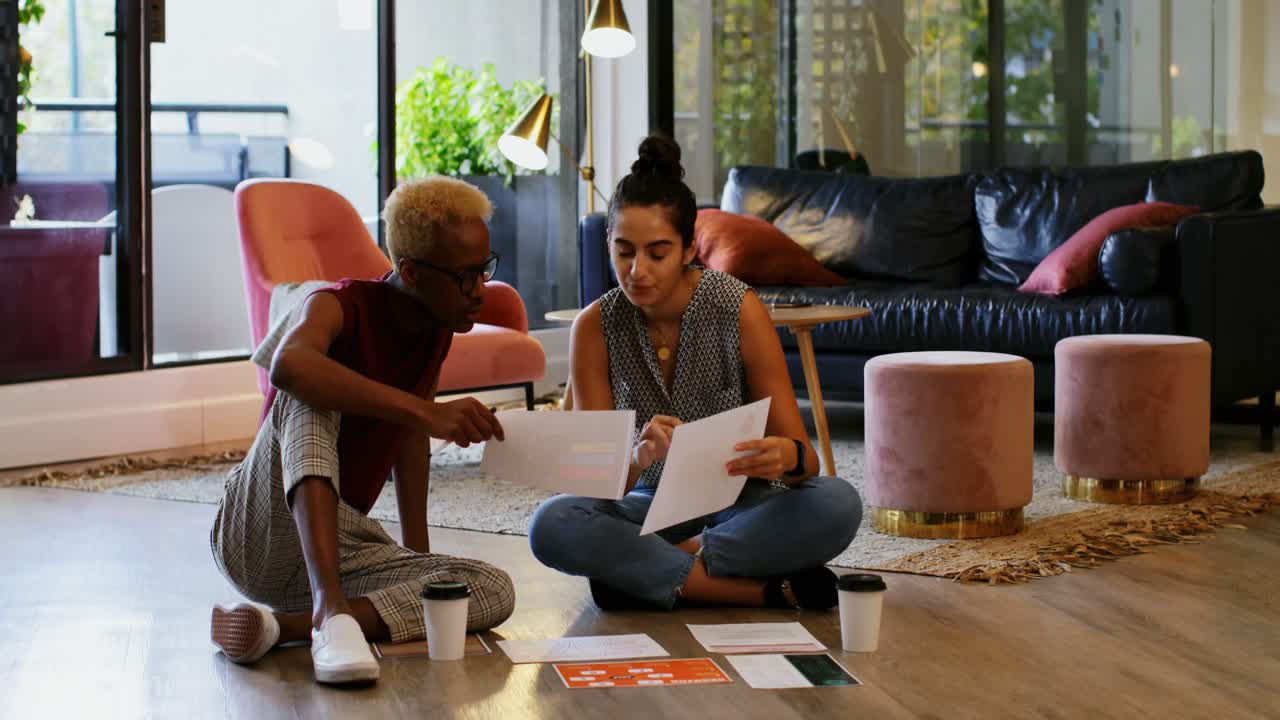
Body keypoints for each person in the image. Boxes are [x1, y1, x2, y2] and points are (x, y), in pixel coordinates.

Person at [528, 136, 862, 612]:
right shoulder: (594, 327)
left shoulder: (738, 308)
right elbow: (592, 482)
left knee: (838, 503)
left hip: (742, 504)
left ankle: (650, 573)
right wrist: (638, 458)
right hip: (647, 506)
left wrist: (784, 456)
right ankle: (755, 590)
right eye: (624, 251)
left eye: (657, 253)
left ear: (688, 249)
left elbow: (805, 459)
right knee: (552, 523)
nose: (637, 271)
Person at [209, 176, 515, 684]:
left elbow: (410, 439)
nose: (479, 290)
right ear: (411, 271)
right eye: (464, 276)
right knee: (313, 389)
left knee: (491, 588)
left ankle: (285, 626)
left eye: (484, 269)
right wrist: (425, 411)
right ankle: (330, 612)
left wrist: (420, 561)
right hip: (258, 529)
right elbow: (289, 366)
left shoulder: (436, 327)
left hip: (342, 544)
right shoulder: (335, 305)